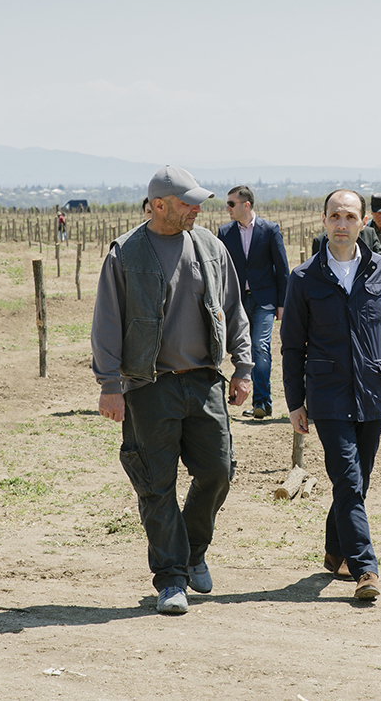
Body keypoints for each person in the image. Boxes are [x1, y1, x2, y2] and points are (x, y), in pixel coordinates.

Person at [91, 165, 254, 615]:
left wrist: (243, 367)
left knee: (218, 471)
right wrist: (110, 385)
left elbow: (234, 309)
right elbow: (107, 322)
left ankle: (192, 552)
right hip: (149, 386)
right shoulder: (125, 253)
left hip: (204, 381)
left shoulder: (211, 247)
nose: (197, 209)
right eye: (188, 202)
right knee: (155, 485)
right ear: (159, 205)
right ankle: (171, 580)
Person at [281, 189, 381, 601]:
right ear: (323, 221)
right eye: (335, 216)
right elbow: (292, 346)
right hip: (328, 395)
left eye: (350, 217)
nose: (342, 224)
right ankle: (365, 568)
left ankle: (335, 549)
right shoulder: (304, 278)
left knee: (357, 481)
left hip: (373, 391)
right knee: (349, 480)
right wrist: (295, 402)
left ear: (363, 222)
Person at [218, 186, 291, 420]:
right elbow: (219, 270)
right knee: (243, 349)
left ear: (246, 204)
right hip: (236, 302)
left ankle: (262, 401)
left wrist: (282, 303)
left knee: (260, 346)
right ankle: (249, 397)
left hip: (265, 301)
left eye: (231, 204)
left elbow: (282, 268)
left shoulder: (269, 229)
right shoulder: (224, 232)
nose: (227, 208)